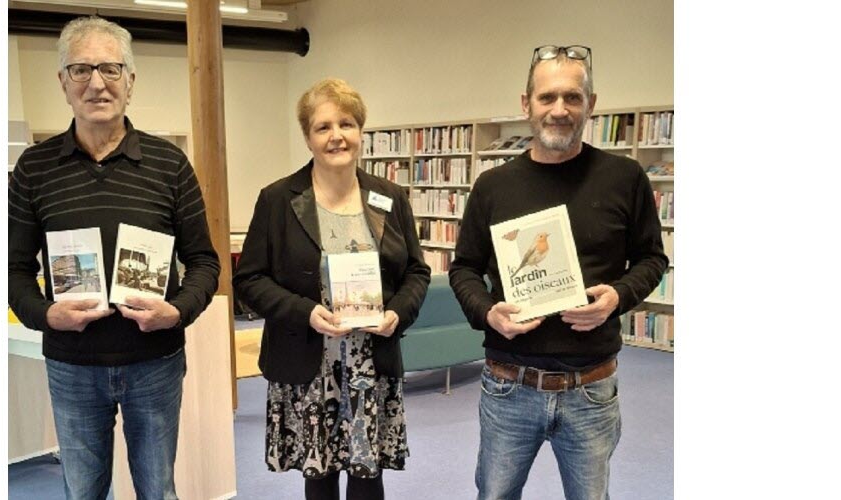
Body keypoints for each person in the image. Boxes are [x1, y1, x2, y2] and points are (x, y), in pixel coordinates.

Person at [7, 16, 220, 500]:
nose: (97, 83)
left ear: (131, 80)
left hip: (155, 362)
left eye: (110, 68)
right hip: (72, 367)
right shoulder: (34, 169)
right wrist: (44, 315)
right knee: (82, 493)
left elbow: (205, 262)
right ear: (63, 82)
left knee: (157, 491)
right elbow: (14, 269)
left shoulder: (170, 165)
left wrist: (178, 311)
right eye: (81, 69)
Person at [448, 45, 668, 500]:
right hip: (509, 386)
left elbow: (652, 259)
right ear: (526, 103)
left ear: (591, 104)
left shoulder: (624, 178)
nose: (560, 110)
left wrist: (618, 297)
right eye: (547, 98)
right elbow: (464, 269)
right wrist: (490, 313)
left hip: (591, 388)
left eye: (572, 97)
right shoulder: (492, 186)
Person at [233, 78, 431, 500]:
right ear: (308, 137)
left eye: (346, 124)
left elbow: (417, 272)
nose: (336, 136)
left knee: (368, 475)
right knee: (318, 476)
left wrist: (397, 313)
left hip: (371, 362)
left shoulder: (389, 197)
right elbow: (249, 279)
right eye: (323, 127)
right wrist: (305, 311)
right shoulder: (277, 199)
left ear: (360, 131)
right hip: (308, 361)